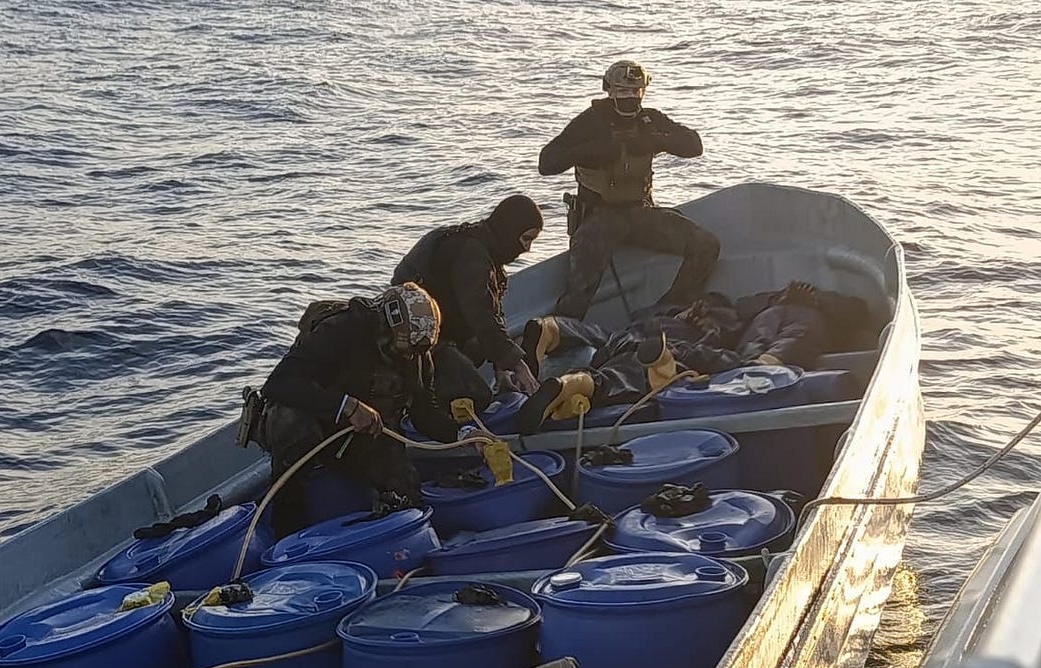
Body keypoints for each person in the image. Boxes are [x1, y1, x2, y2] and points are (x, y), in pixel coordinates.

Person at [254, 282, 488, 537]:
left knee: (408, 495)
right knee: (292, 420)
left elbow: (425, 414)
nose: (409, 356)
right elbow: (278, 384)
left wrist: (464, 433)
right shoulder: (340, 330)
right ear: (385, 330)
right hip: (317, 423)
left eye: (417, 351)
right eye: (404, 349)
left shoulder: (418, 354)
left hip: (367, 433)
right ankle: (287, 520)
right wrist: (345, 406)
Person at [513, 281, 872, 433]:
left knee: (616, 344)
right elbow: (741, 339)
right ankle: (580, 384)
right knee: (650, 365)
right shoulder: (749, 314)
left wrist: (795, 298)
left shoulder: (797, 316)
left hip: (642, 333)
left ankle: (551, 328)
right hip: (671, 341)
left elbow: (856, 312)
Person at [538, 60, 721, 320]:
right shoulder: (590, 122)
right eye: (623, 91)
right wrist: (592, 151)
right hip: (599, 217)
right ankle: (560, 332)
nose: (630, 98)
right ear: (609, 91)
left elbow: (694, 145)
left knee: (706, 245)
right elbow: (546, 162)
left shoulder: (649, 120)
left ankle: (668, 312)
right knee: (580, 291)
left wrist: (656, 141)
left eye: (636, 92)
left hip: (640, 213)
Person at [392, 195, 545, 397]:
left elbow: (493, 313)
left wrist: (502, 369)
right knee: (479, 396)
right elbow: (481, 317)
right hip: (417, 343)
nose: (527, 249)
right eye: (526, 239)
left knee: (483, 346)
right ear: (510, 231)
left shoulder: (489, 253)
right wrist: (519, 367)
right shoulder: (472, 256)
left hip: (449, 329)